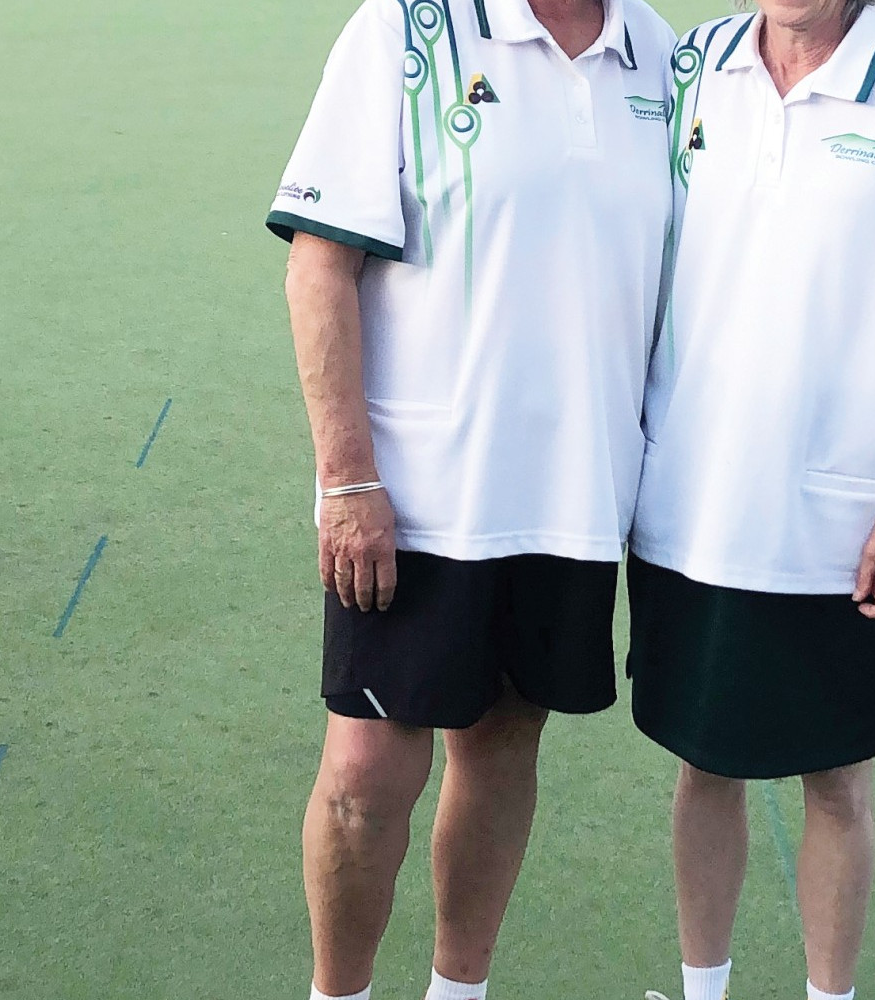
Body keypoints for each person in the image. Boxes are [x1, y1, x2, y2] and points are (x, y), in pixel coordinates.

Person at [264, 0, 675, 995]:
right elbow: (320, 265)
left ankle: (460, 987)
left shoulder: (659, 53)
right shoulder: (405, 32)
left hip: (576, 493)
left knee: (501, 745)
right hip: (419, 495)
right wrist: (348, 476)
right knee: (366, 776)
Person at [628, 0, 875, 998]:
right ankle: (702, 990)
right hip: (693, 508)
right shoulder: (690, 70)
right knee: (702, 765)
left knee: (839, 780)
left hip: (846, 523)